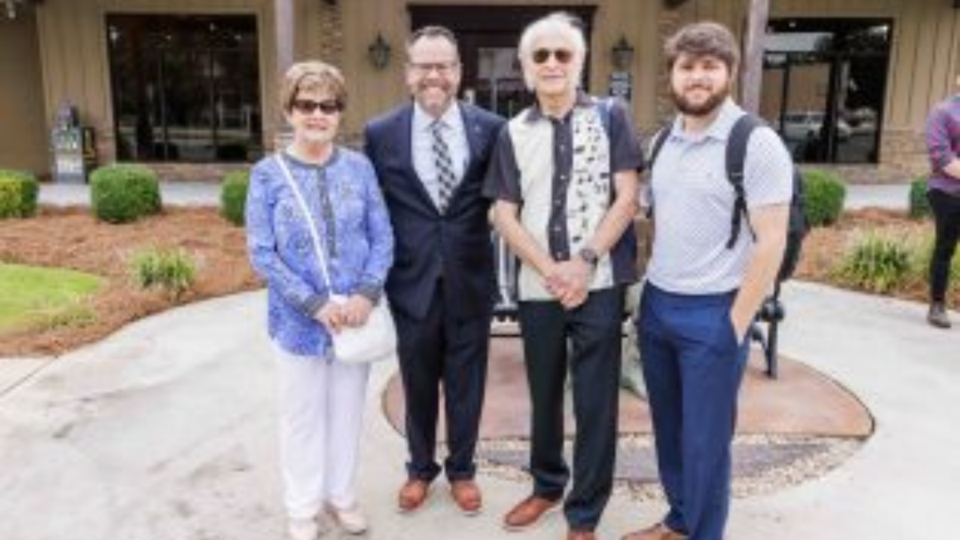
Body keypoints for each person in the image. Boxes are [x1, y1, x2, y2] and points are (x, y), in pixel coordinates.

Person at [623, 22, 793, 540]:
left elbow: (771, 241)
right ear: (672, 74)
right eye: (687, 66)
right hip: (657, 307)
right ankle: (679, 521)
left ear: (729, 73)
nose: (697, 77)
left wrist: (736, 323)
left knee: (706, 441)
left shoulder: (755, 143)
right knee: (670, 432)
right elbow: (645, 213)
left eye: (709, 66)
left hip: (714, 313)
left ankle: (704, 532)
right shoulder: (661, 142)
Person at [483, 12, 642, 540]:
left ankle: (585, 513)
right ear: (526, 67)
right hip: (538, 287)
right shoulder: (513, 131)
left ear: (579, 62)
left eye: (563, 54)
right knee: (545, 391)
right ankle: (547, 484)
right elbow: (503, 213)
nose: (552, 63)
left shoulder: (612, 116)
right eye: (541, 56)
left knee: (596, 400)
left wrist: (585, 260)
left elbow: (628, 197)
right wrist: (551, 269)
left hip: (597, 285)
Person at [245, 61, 394, 540]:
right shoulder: (267, 175)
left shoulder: (360, 168)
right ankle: (303, 506)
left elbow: (382, 234)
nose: (317, 114)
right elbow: (262, 252)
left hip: (354, 318)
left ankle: (342, 496)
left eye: (327, 106)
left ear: (339, 113)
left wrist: (368, 293)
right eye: (306, 105)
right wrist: (312, 304)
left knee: (348, 413)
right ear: (289, 110)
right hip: (298, 323)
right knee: (302, 416)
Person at [363, 26, 505, 515]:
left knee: (467, 383)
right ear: (408, 73)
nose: (434, 75)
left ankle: (462, 471)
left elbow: (504, 202)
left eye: (443, 65)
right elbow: (372, 211)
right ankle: (420, 469)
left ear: (459, 71)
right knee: (417, 381)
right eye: (424, 66)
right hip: (411, 282)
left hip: (471, 280)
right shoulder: (381, 133)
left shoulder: (490, 128)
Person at [924, 77, 960, 329]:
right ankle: (937, 305)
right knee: (945, 248)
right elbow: (942, 157)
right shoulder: (942, 113)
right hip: (948, 192)